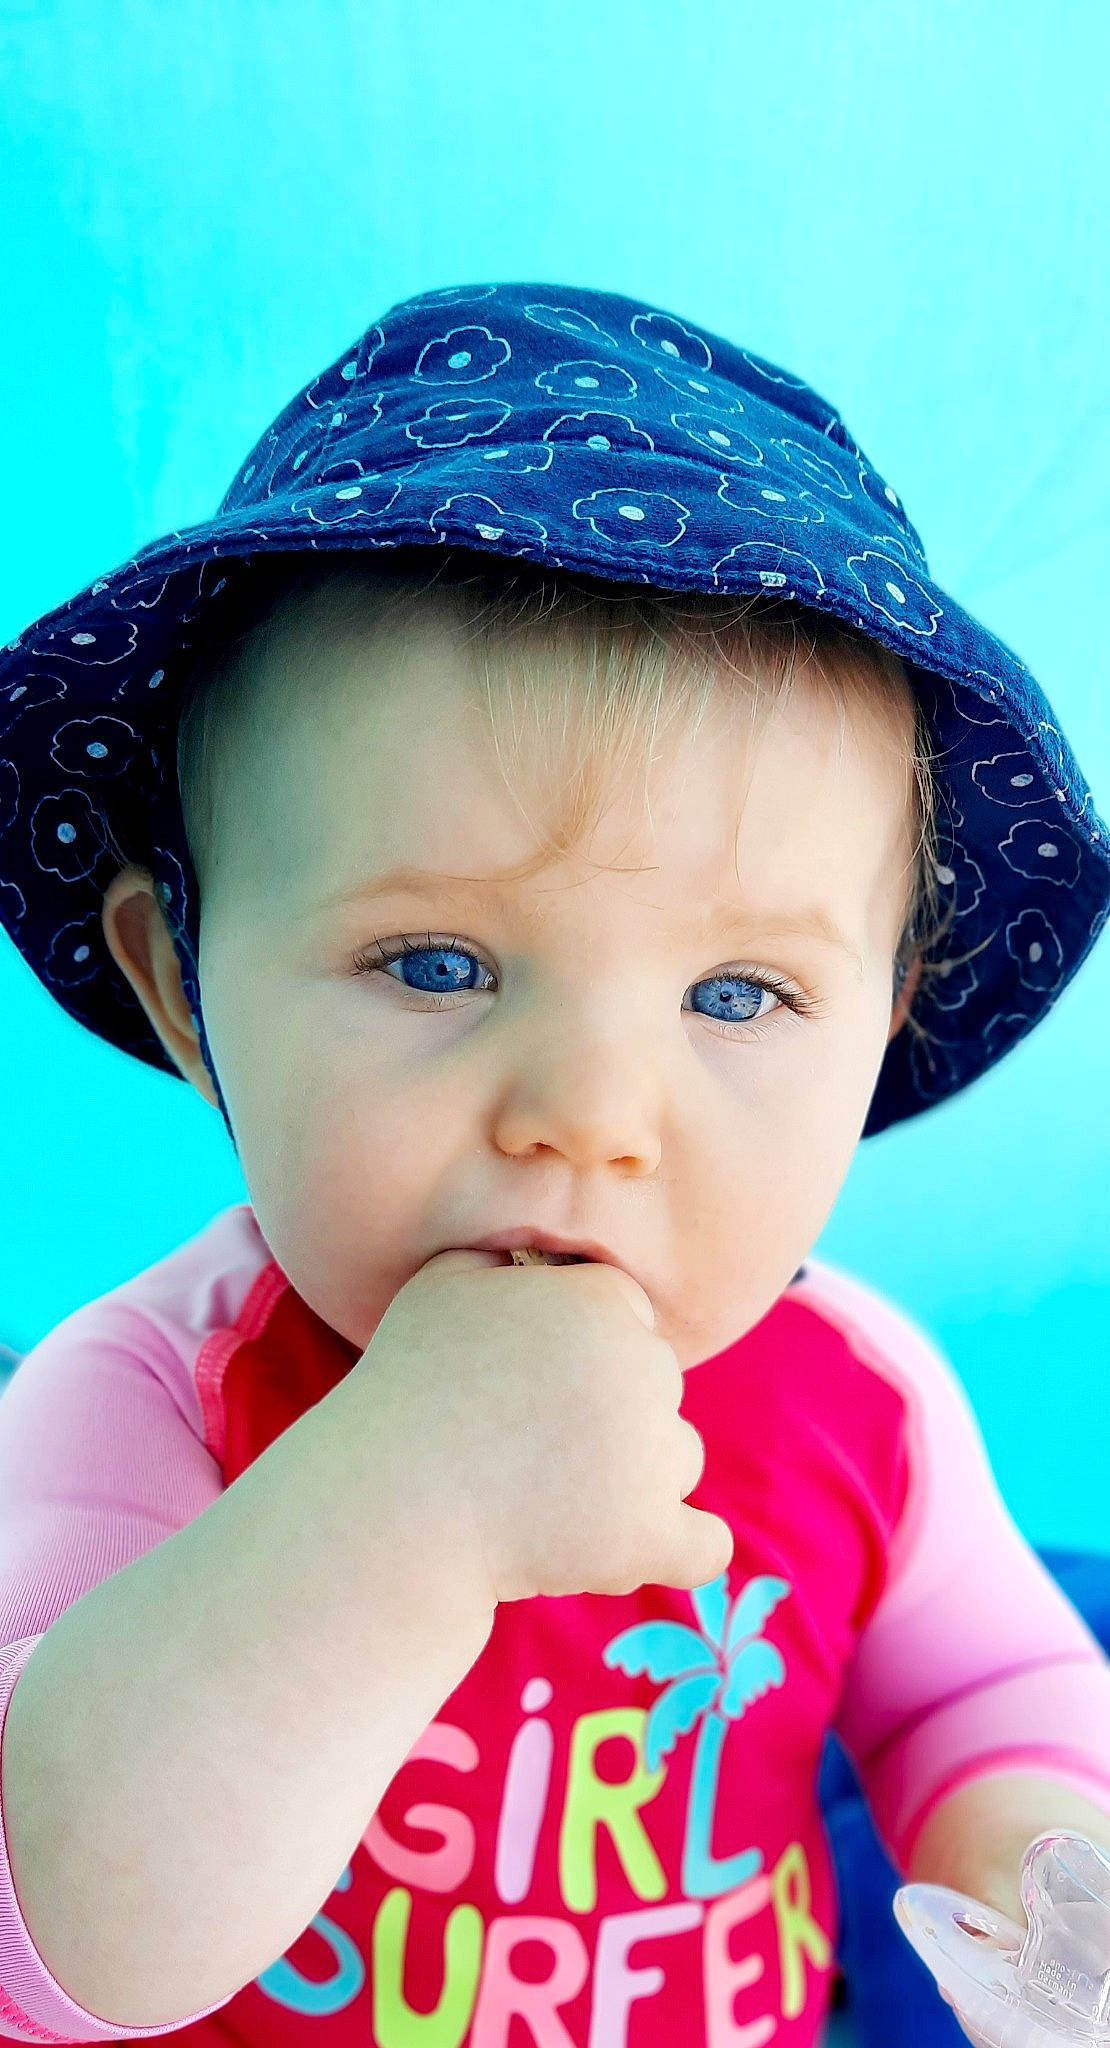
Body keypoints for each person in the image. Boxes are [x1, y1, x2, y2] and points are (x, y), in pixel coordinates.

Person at [0, 281, 1107, 2048]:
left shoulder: (863, 1400)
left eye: (737, 992)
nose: (588, 1114)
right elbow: (52, 1941)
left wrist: (1045, 1862)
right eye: (435, 964)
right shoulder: (140, 1396)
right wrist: (403, 1502)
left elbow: (988, 1686)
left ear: (883, 1021)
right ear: (180, 989)